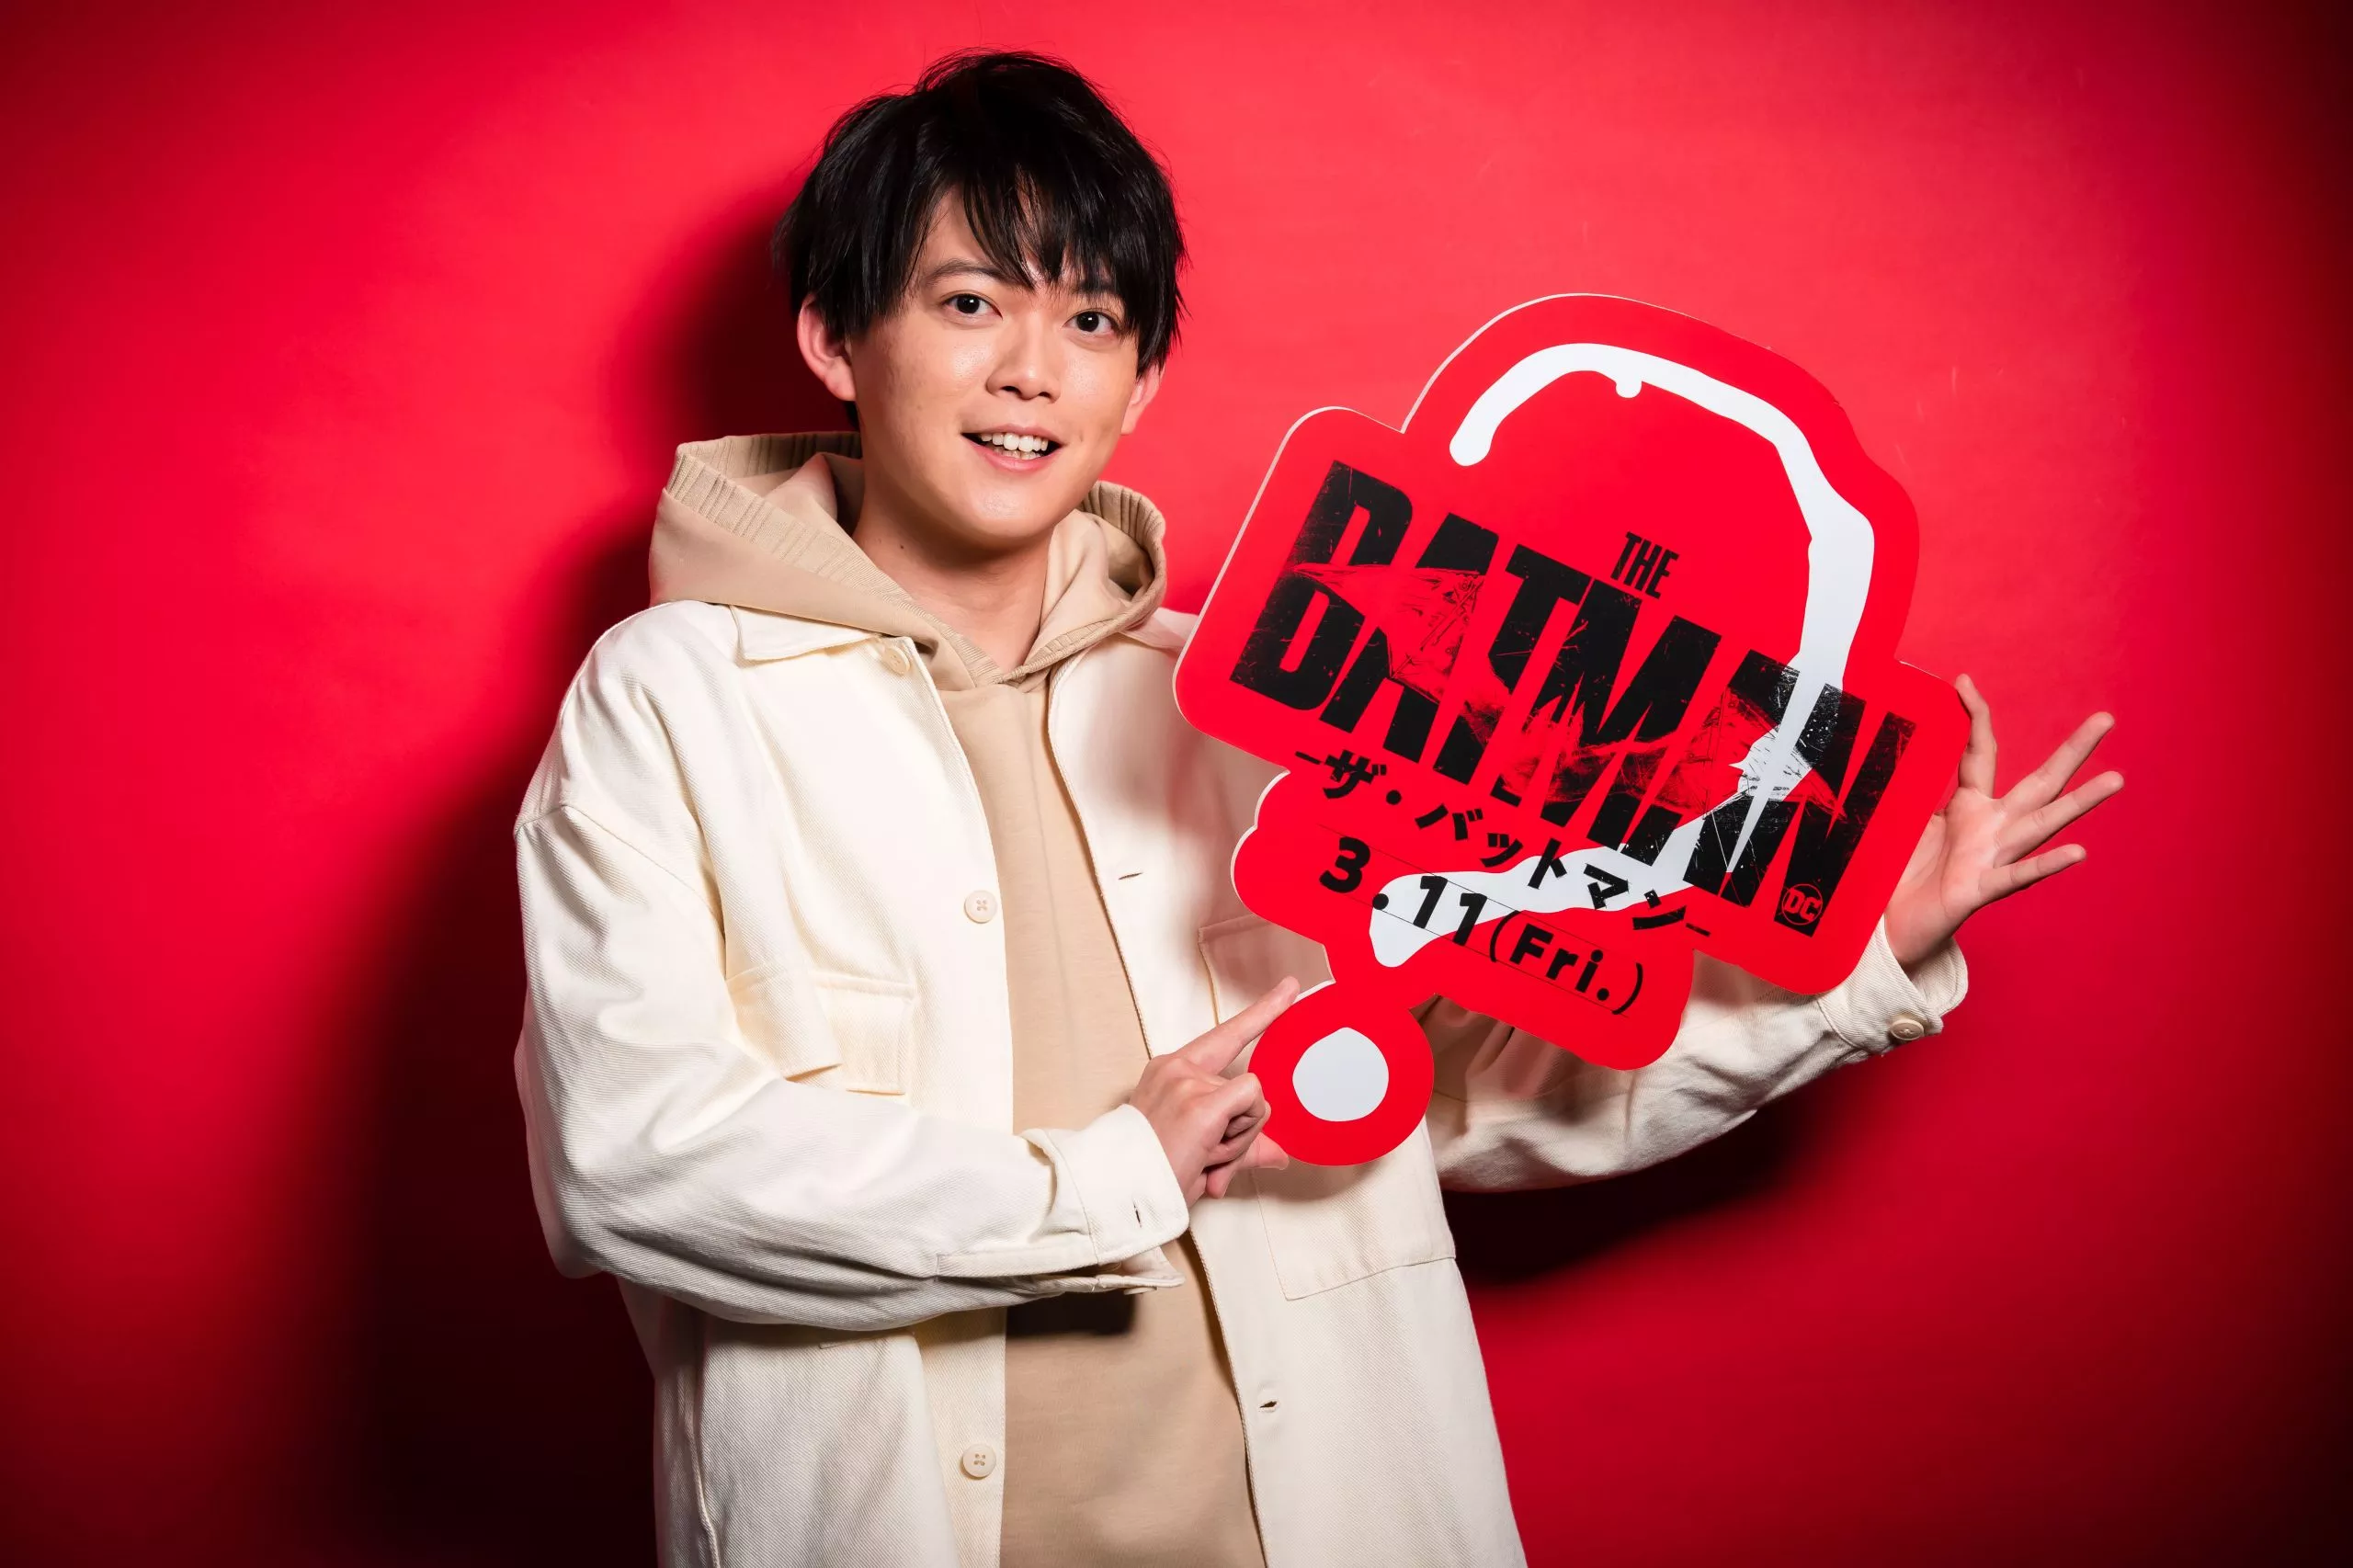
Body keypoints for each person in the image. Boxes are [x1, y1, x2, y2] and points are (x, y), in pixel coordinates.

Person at [512, 50, 2122, 1568]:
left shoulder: (1271, 692)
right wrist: (1108, 1181)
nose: (1031, 370)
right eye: (969, 301)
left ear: (1143, 377)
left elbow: (1466, 1080)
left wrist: (1849, 955)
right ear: (833, 336)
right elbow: (628, 1162)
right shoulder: (669, 702)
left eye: (1092, 318)